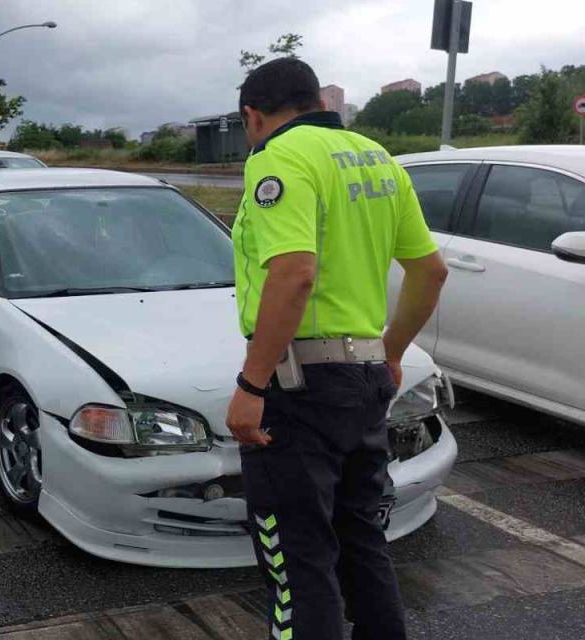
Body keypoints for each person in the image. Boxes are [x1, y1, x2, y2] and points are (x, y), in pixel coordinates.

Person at [226, 58, 449, 640]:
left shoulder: (278, 158)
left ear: (253, 116)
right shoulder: (376, 157)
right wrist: (392, 351)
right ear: (316, 100)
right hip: (365, 376)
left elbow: (294, 273)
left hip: (300, 387)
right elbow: (430, 272)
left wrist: (252, 385)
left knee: (298, 560)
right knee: (361, 541)